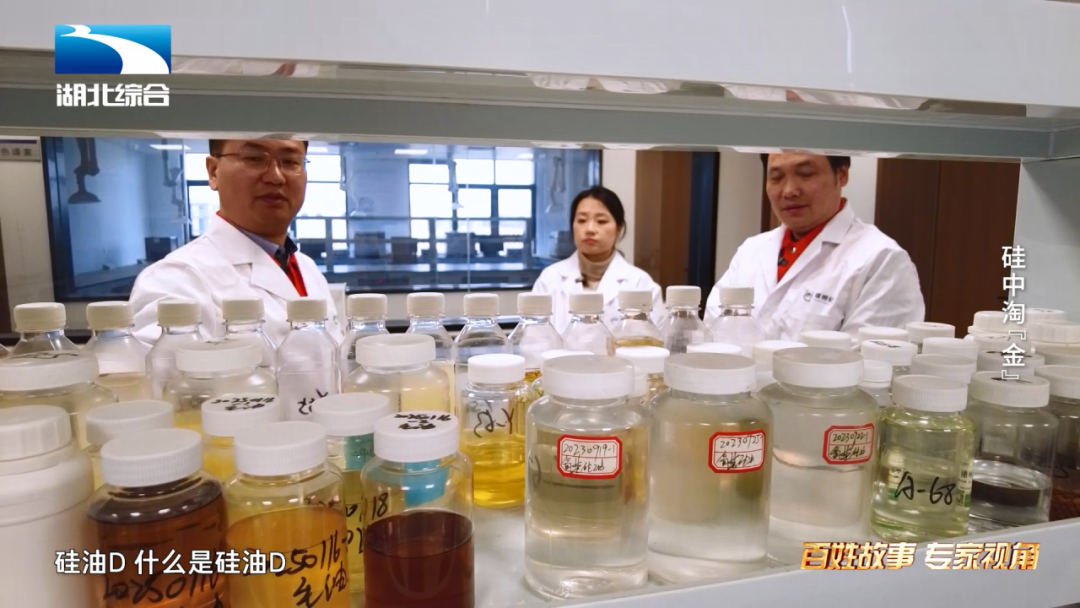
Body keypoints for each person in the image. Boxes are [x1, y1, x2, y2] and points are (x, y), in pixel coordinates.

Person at [130, 138, 341, 346]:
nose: (276, 177)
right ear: (213, 172)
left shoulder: (308, 269)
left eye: (290, 161)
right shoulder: (174, 280)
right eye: (254, 158)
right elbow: (154, 365)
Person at [705, 152, 924, 341]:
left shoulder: (881, 259)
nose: (789, 190)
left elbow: (868, 361)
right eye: (776, 177)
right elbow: (711, 332)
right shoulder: (751, 251)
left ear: (842, 174)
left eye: (806, 173)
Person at [533, 186, 663, 332]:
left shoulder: (641, 285)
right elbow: (534, 339)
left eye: (601, 221)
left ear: (618, 229)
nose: (590, 229)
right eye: (582, 220)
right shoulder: (549, 280)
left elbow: (654, 341)